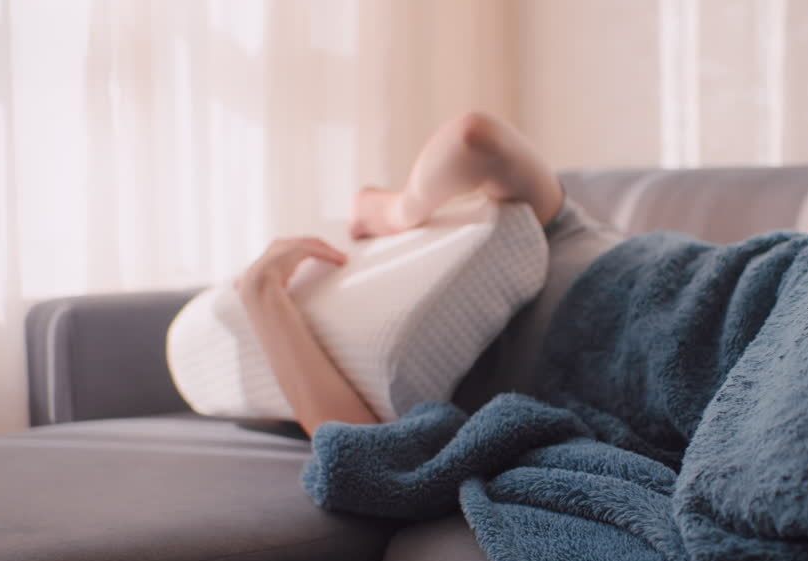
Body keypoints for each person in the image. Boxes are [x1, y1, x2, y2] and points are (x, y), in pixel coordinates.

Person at [237, 112, 570, 437]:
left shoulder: (552, 231)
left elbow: (477, 137)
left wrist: (397, 211)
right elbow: (476, 139)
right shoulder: (541, 228)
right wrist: (263, 293)